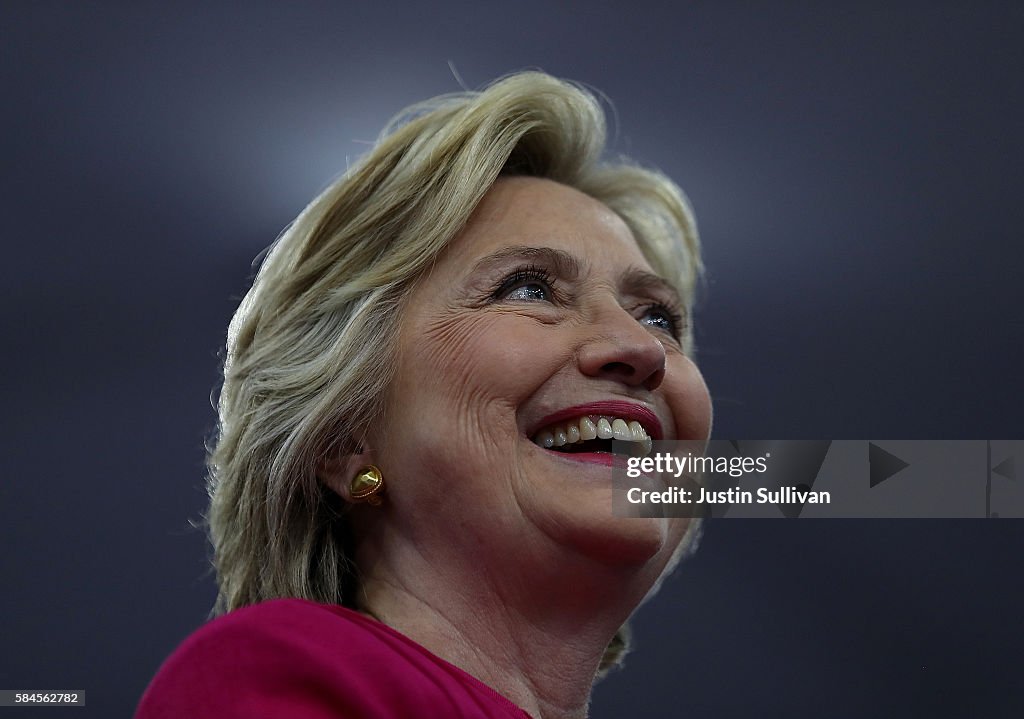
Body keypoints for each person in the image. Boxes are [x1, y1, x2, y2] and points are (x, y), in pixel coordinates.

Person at [135, 71, 712, 719]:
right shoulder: (284, 673)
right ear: (343, 436)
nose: (639, 349)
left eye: (659, 317)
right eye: (527, 289)